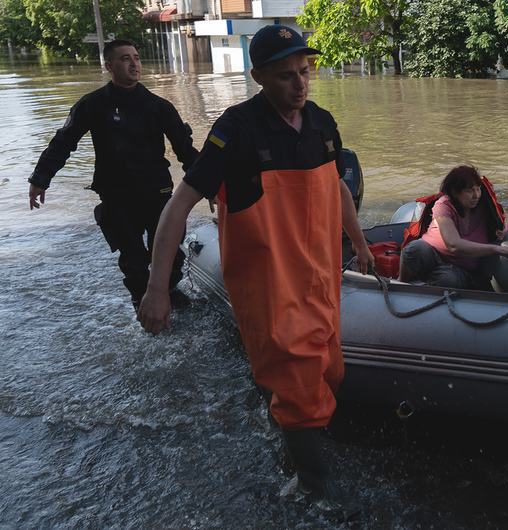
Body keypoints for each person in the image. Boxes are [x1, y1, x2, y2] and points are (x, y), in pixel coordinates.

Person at [135, 25, 372, 518]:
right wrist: (158, 287)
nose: (299, 83)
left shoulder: (323, 124)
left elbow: (337, 190)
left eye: (304, 72)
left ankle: (285, 442)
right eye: (285, 75)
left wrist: (360, 243)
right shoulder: (235, 131)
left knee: (330, 372)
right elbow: (179, 205)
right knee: (299, 386)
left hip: (320, 281)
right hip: (268, 288)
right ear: (258, 75)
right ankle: (315, 492)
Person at [28, 39, 199, 310]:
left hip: (157, 191)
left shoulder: (159, 107)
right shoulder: (92, 105)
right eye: (125, 59)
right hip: (117, 195)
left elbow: (185, 150)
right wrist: (40, 179)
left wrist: (210, 186)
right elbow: (63, 142)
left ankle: (170, 292)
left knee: (168, 251)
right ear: (109, 66)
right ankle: (140, 301)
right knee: (132, 258)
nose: (134, 64)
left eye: (137, 57)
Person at [398, 165, 508, 289]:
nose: (476, 195)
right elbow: (453, 245)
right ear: (455, 192)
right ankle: (400, 285)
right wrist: (497, 249)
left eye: (478, 189)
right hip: (432, 254)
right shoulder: (443, 205)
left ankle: (427, 286)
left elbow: (503, 215)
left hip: (460, 266)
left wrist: (505, 225)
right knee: (414, 249)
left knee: (448, 279)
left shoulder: (483, 205)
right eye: (469, 191)